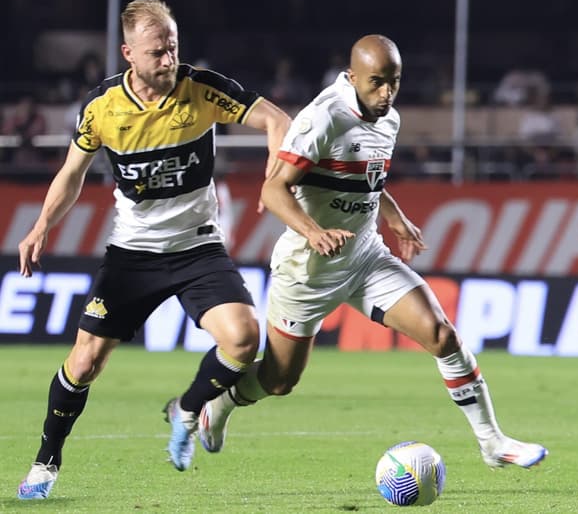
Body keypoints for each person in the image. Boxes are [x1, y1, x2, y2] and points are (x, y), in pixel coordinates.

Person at [193, 34, 548, 471]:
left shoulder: (389, 118)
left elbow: (365, 178)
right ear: (352, 76)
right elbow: (274, 187)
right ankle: (221, 406)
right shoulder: (323, 118)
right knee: (280, 381)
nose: (386, 94)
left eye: (393, 83)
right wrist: (314, 231)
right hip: (308, 268)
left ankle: (492, 442)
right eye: (376, 83)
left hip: (364, 257)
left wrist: (393, 216)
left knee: (443, 336)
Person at [16, 0, 290, 500]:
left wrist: (279, 162)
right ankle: (45, 463)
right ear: (128, 54)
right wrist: (40, 228)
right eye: (157, 52)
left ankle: (186, 410)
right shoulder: (102, 108)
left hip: (198, 248)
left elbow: (277, 119)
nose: (168, 60)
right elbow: (71, 175)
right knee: (84, 363)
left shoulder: (202, 90)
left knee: (245, 339)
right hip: (133, 254)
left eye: (173, 48)